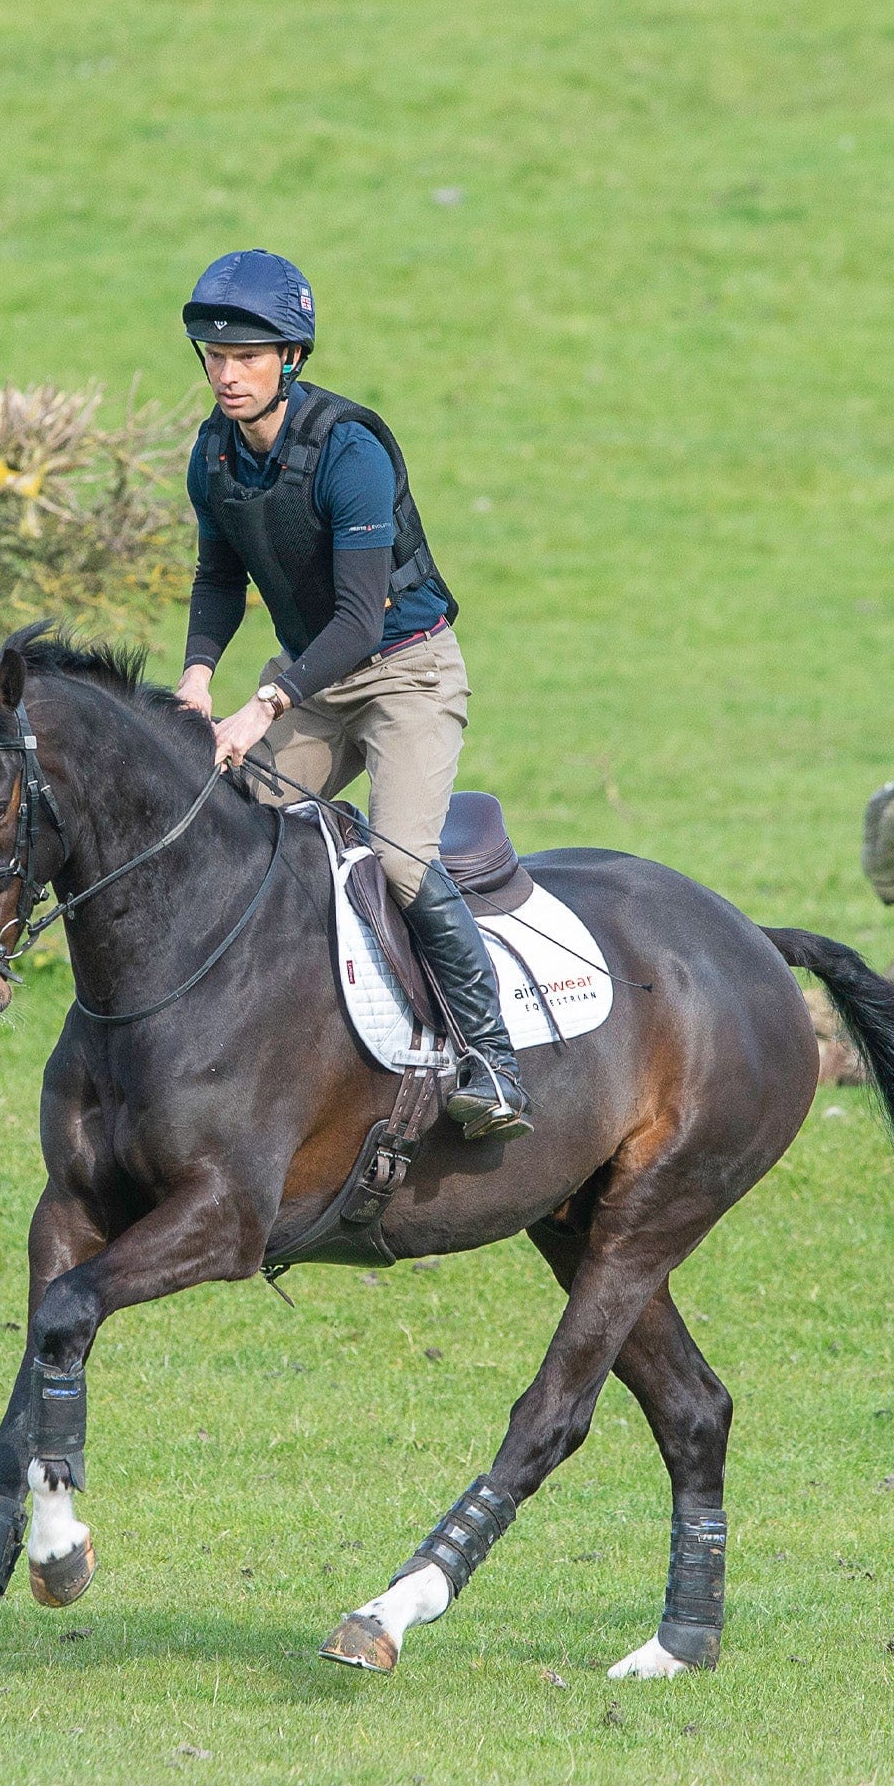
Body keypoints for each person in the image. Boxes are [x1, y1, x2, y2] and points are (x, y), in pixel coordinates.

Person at [173, 249, 532, 1139]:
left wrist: (262, 705)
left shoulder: (349, 452)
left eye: (248, 356)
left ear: (291, 358)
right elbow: (219, 577)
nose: (227, 374)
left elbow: (358, 621)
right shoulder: (213, 456)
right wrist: (198, 676)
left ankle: (492, 1058)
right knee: (222, 823)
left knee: (404, 861)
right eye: (213, 356)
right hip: (316, 680)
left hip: (403, 670)